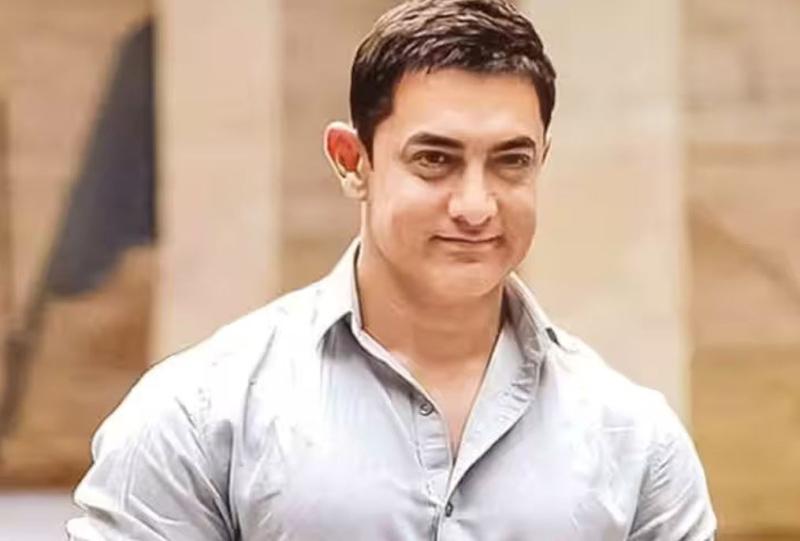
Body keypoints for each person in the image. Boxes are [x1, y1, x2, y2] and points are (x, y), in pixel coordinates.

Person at [67, 1, 716, 539]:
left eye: (510, 161)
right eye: (435, 159)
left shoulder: (635, 440)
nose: (475, 206)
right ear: (353, 161)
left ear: (541, 160)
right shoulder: (199, 415)